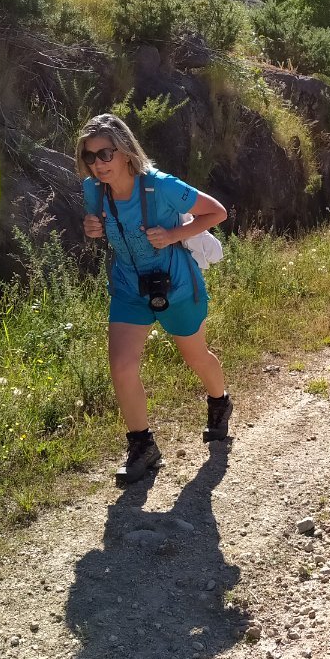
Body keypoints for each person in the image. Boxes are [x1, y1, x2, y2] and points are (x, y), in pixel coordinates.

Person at [77, 114, 234, 484]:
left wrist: (175, 234)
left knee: (196, 356)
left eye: (105, 154)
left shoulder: (161, 186)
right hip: (129, 289)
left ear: (125, 152)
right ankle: (142, 446)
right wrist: (91, 228)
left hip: (176, 286)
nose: (98, 163)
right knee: (121, 366)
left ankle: (219, 401)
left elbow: (217, 212)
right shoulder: (93, 190)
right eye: (90, 156)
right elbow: (97, 224)